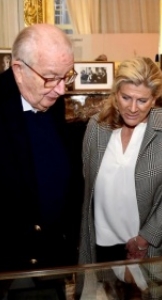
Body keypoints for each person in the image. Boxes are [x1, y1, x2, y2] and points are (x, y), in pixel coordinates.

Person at [79, 56, 162, 265]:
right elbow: (88, 183)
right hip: (102, 246)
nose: (132, 108)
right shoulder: (96, 127)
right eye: (126, 97)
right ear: (116, 94)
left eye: (142, 100)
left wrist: (145, 238)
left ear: (155, 98)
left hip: (152, 247)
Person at [0, 23, 84, 272]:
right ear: (18, 70)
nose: (61, 89)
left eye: (66, 76)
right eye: (50, 78)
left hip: (52, 264)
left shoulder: (48, 97)